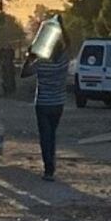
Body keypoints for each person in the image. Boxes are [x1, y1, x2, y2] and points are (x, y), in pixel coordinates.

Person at [21, 17, 71, 182]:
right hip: (58, 104)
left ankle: (48, 168)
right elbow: (69, 44)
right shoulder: (63, 61)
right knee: (52, 135)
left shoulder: (41, 62)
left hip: (42, 104)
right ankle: (51, 165)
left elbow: (24, 73)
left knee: (45, 136)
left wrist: (29, 56)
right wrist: (62, 27)